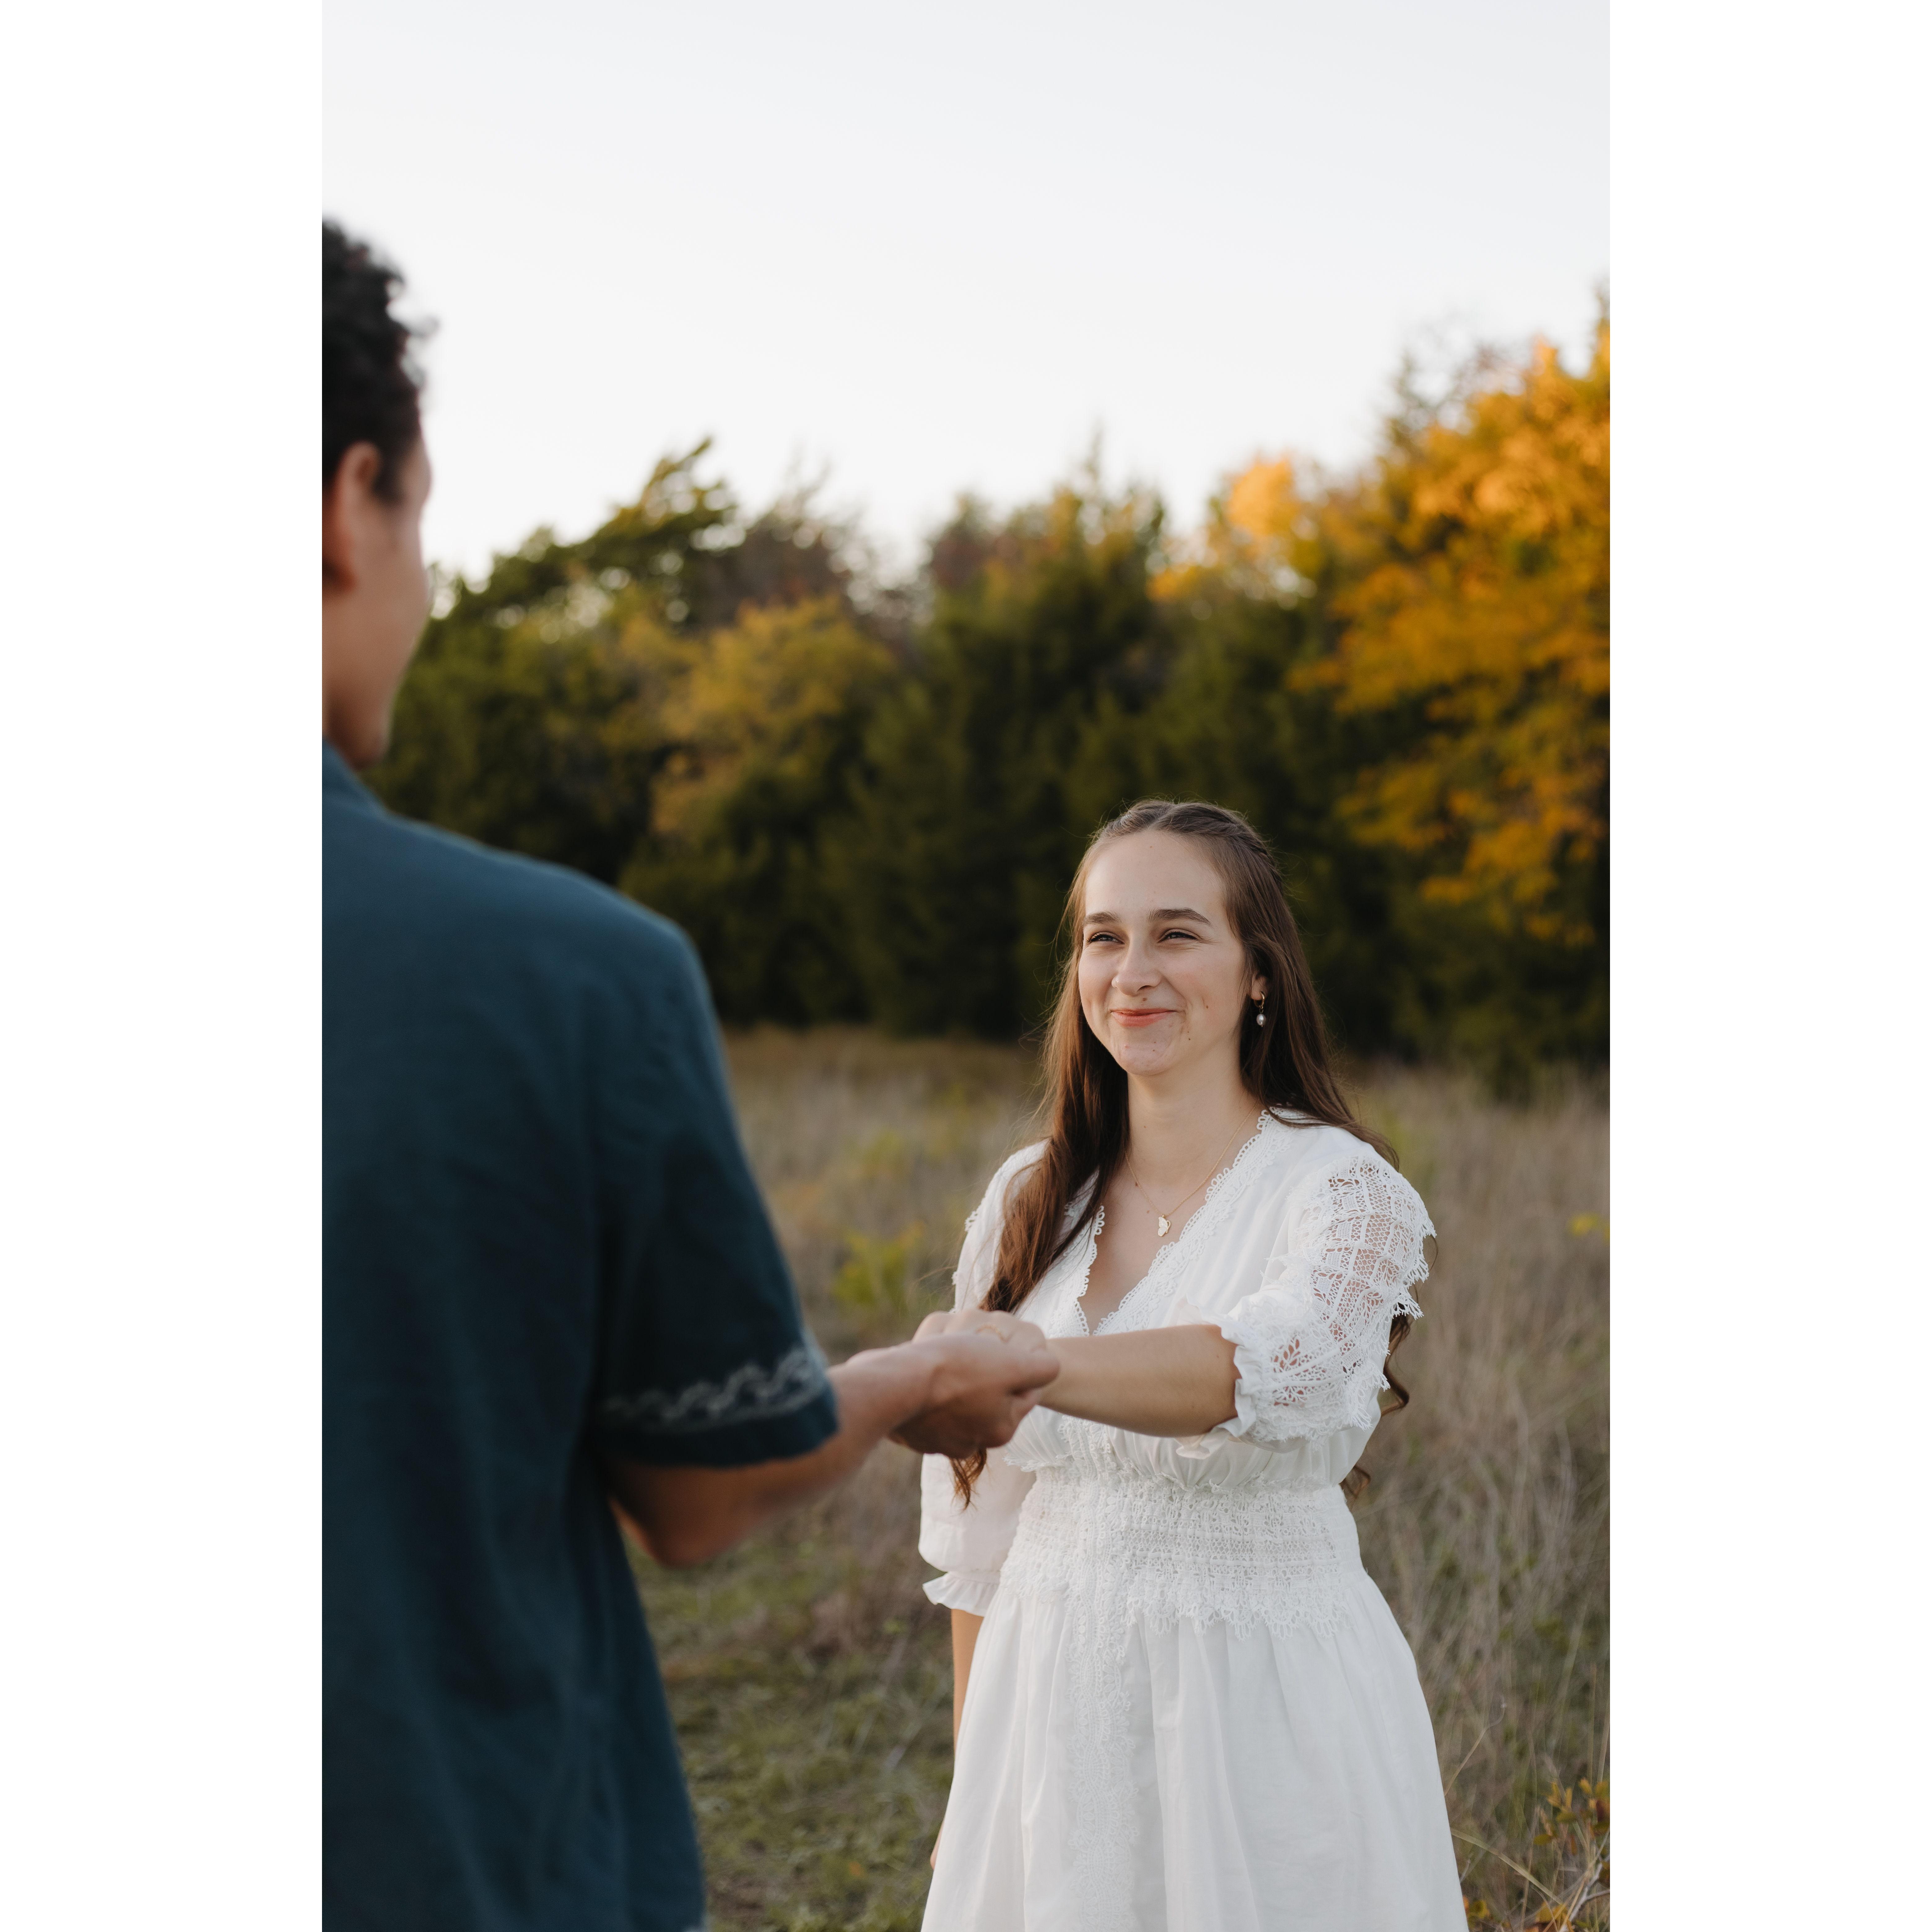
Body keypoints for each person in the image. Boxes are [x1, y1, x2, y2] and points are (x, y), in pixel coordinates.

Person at [322, 220, 1058, 1932]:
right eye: (424, 518)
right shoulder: (568, 979)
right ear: (349, 504)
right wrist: (908, 1378)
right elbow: (705, 1488)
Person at [915, 800, 1466, 1931]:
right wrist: (978, 1781)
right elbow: (979, 1531)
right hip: (1050, 1698)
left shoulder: (1345, 1193)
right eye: (1104, 938)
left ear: (1259, 972)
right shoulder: (1031, 1197)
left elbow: (1271, 1372)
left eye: (1177, 933)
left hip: (1265, 1708)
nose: (1133, 972)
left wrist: (1026, 1364)